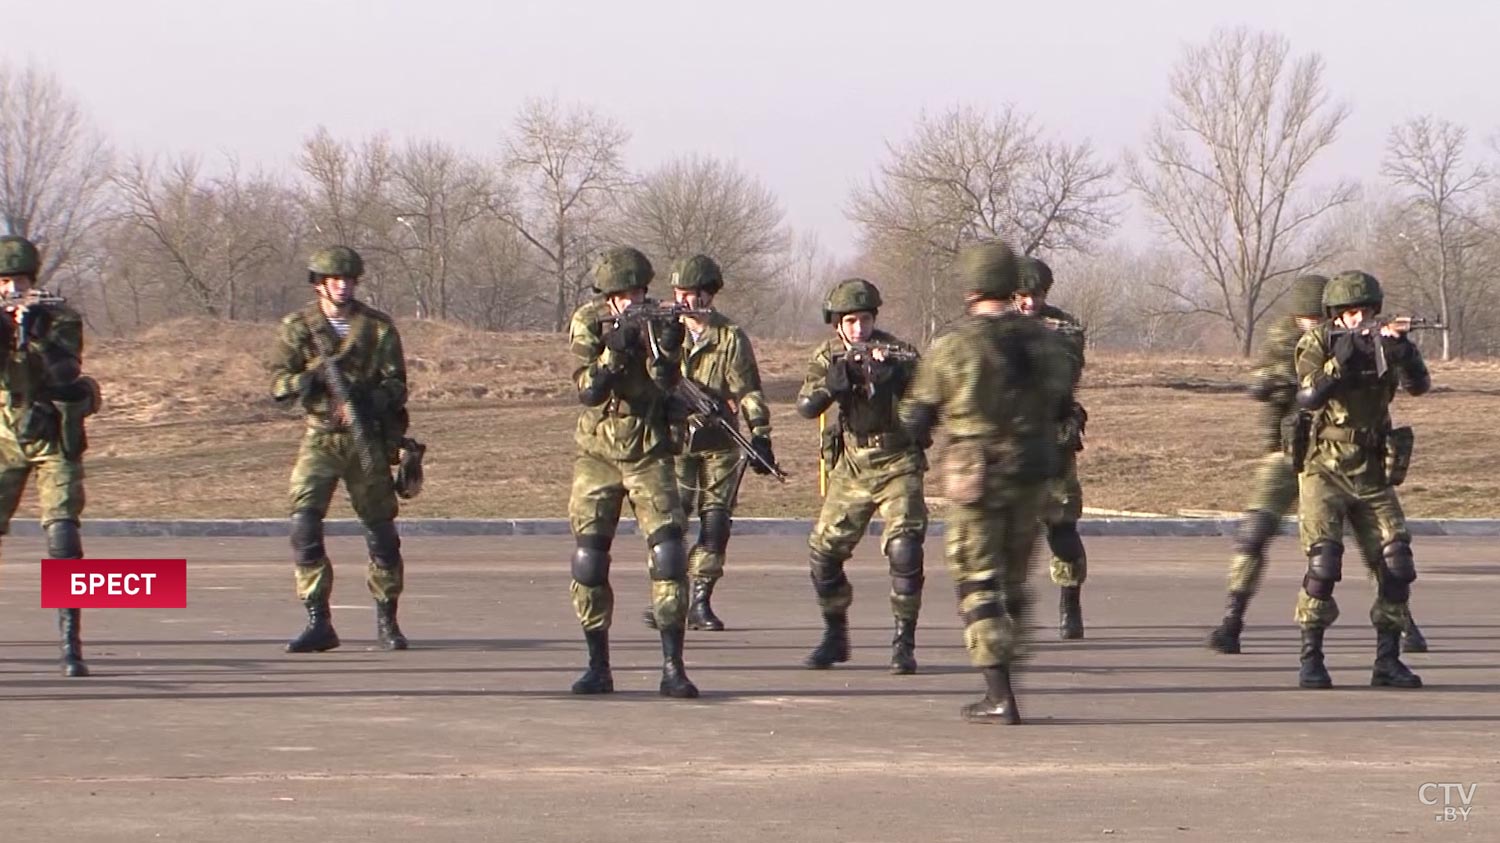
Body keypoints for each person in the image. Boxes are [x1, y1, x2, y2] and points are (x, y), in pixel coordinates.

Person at [900, 241, 1075, 723]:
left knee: (977, 580)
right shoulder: (1047, 342)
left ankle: (998, 692)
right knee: (1016, 580)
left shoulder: (955, 345)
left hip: (978, 475)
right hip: (1033, 471)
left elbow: (917, 415)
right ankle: (1010, 674)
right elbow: (1063, 403)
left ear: (973, 287)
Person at [566, 246, 698, 699]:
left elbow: (667, 381)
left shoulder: (662, 320)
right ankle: (597, 665)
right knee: (589, 559)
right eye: (622, 295)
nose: (631, 301)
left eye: (638, 292)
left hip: (649, 448)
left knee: (669, 555)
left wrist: (660, 345)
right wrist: (613, 352)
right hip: (598, 451)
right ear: (608, 297)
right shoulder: (588, 321)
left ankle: (672, 666)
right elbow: (587, 389)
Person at [1291, 270, 1430, 689]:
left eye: (1367, 310)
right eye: (1352, 312)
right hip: (1324, 468)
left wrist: (1403, 352)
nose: (1360, 318)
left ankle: (1387, 661)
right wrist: (1344, 358)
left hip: (1371, 468)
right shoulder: (1318, 343)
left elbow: (1419, 387)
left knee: (1397, 564)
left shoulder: (1385, 345)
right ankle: (1311, 657)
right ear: (1336, 314)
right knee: (1324, 562)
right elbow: (1308, 394)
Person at [270, 246, 411, 653]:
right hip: (321, 438)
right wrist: (307, 381)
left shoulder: (378, 329)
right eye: (335, 280)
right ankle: (318, 619)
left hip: (366, 438)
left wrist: (368, 400)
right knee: (304, 525)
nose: (344, 286)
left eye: (349, 280)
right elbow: (277, 385)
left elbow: (398, 385)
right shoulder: (300, 328)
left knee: (381, 531)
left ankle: (387, 619)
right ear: (319, 284)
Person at [794, 278, 927, 674]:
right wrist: (832, 389)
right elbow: (805, 405)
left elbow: (931, 402)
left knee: (905, 549)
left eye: (865, 320)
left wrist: (899, 385)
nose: (859, 330)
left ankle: (904, 643)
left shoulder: (898, 353)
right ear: (837, 323)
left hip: (897, 459)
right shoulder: (827, 355)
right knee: (823, 555)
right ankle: (835, 634)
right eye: (850, 321)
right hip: (853, 464)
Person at [640, 254, 774, 631]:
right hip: (675, 441)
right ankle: (670, 599)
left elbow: (748, 389)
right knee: (671, 524)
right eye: (681, 293)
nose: (687, 302)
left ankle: (701, 598)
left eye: (695, 295)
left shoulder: (730, 337)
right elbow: (649, 380)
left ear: (709, 296)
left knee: (715, 522)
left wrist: (760, 434)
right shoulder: (660, 332)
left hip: (719, 442)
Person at [0, 235, 99, 676]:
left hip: (51, 434)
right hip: (3, 433)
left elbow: (66, 371)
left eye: (17, 281)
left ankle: (70, 644)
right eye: (3, 282)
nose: (10, 290)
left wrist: (35, 333)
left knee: (62, 538)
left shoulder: (60, 317)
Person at [1014, 258, 1090, 639]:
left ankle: (1069, 600)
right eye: (1021, 297)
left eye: (1035, 296)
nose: (1028, 303)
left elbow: (1065, 372)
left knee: (1062, 528)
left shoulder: (1064, 329)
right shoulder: (996, 327)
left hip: (1053, 437)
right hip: (1010, 439)